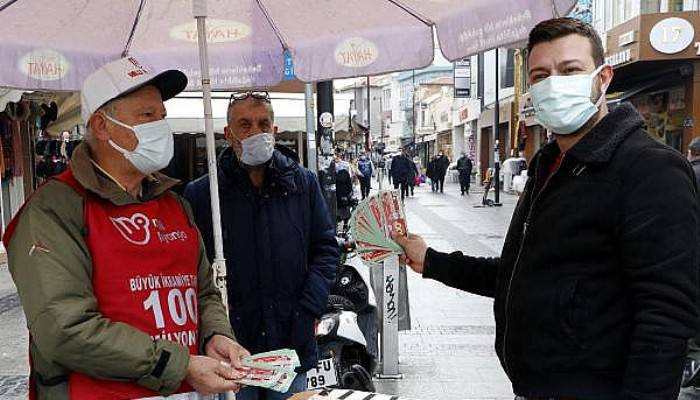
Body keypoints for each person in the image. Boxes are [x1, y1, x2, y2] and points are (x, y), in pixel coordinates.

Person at [394, 18, 699, 399]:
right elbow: (520, 273)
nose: (554, 84)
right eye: (540, 76)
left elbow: (666, 316)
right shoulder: (550, 164)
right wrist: (431, 261)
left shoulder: (649, 168)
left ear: (602, 79)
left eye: (570, 70)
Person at [3, 57, 249, 399]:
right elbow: (65, 329)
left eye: (162, 116)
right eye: (146, 117)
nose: (161, 127)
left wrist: (215, 335)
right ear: (102, 127)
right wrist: (179, 365)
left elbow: (203, 292)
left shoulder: (174, 204)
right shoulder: (55, 209)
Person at [184, 90, 339, 400]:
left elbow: (326, 250)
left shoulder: (303, 184)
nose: (255, 132)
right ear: (227, 134)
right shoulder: (204, 194)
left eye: (263, 124)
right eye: (245, 125)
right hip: (231, 350)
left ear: (275, 130)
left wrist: (308, 309)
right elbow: (191, 267)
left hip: (290, 344)